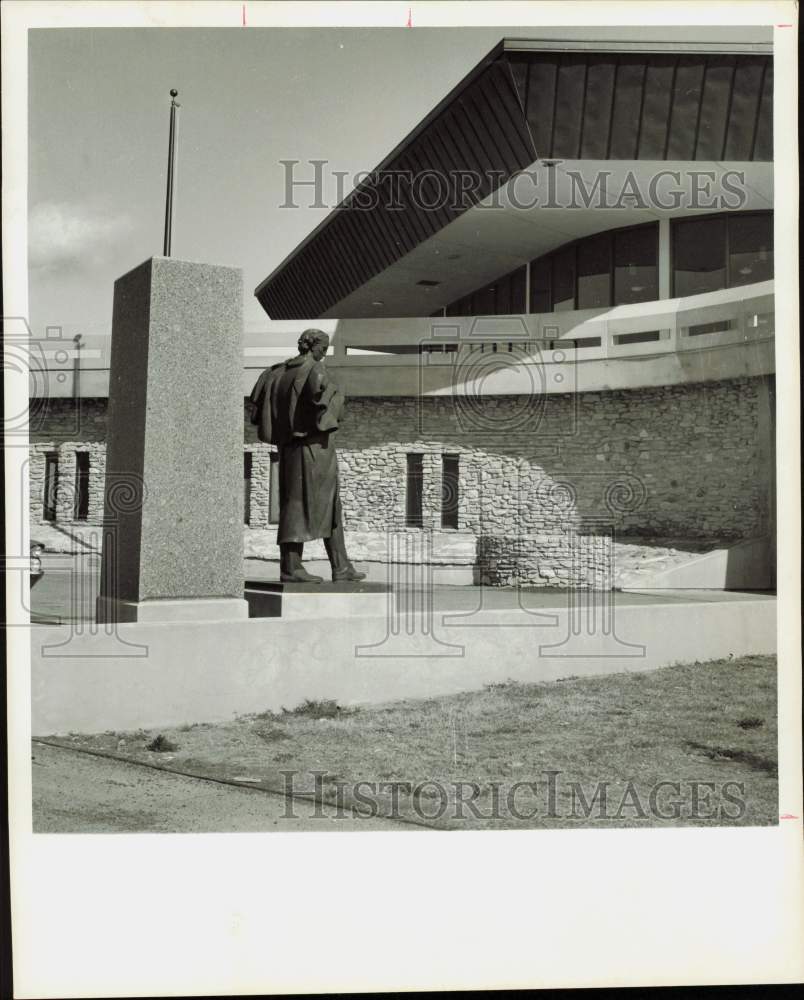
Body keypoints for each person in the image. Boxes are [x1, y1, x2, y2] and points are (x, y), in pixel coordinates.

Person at [249, 329, 365, 584]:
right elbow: (327, 412)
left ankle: (341, 566)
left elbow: (257, 411)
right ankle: (291, 568)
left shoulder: (274, 373)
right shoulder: (316, 370)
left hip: (287, 449)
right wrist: (337, 397)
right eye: (323, 347)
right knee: (297, 505)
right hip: (314, 448)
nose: (324, 352)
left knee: (327, 504)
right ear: (314, 346)